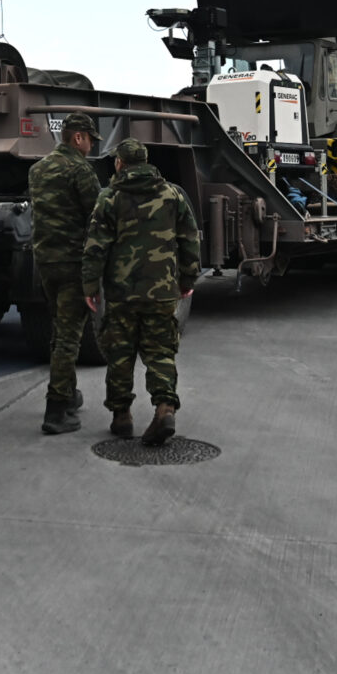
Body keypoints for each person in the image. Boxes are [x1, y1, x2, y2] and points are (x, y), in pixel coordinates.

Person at [82, 137, 200, 446]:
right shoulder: (173, 194)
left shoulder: (109, 198)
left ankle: (121, 417)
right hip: (162, 291)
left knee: (120, 353)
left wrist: (90, 286)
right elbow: (190, 239)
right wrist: (188, 280)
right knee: (160, 352)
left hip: (121, 293)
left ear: (119, 163)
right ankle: (165, 407)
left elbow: (96, 247)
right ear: (147, 162)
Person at [27, 112, 101, 434]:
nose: (90, 147)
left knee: (59, 330)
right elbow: (97, 220)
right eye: (90, 140)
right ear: (78, 138)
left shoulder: (37, 170)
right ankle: (56, 411)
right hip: (73, 265)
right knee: (69, 339)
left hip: (45, 262)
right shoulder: (81, 171)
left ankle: (68, 395)